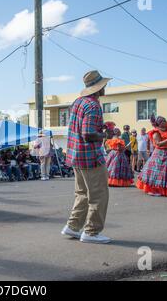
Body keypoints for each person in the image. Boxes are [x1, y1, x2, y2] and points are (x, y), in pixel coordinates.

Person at [61, 70, 112, 244]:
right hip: (90, 157)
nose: (106, 87)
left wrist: (100, 127)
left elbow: (83, 126)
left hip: (76, 155)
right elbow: (88, 133)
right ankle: (91, 232)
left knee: (81, 193)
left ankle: (73, 226)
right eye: (104, 85)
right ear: (99, 87)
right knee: (99, 195)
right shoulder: (94, 105)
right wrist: (105, 135)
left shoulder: (78, 102)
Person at [137, 115, 167, 197]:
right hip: (160, 154)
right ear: (158, 124)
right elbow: (158, 144)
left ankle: (166, 189)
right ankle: (154, 189)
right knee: (158, 173)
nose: (164, 122)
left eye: (165, 120)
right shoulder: (156, 132)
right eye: (162, 121)